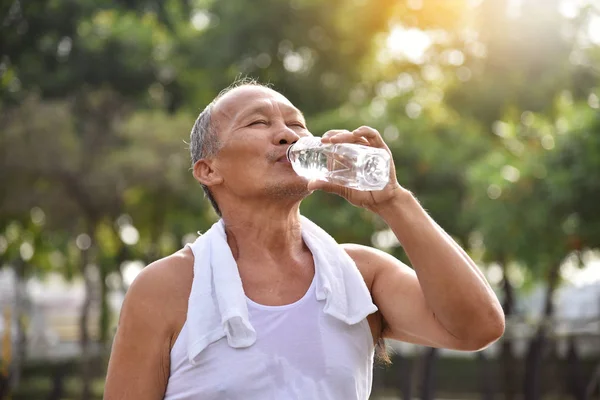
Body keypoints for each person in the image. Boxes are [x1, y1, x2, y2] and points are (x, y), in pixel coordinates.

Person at [103, 80, 505, 399]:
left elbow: (478, 328)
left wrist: (394, 202)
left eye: (296, 125)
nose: (285, 135)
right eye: (258, 123)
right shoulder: (164, 289)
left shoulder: (360, 276)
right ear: (209, 170)